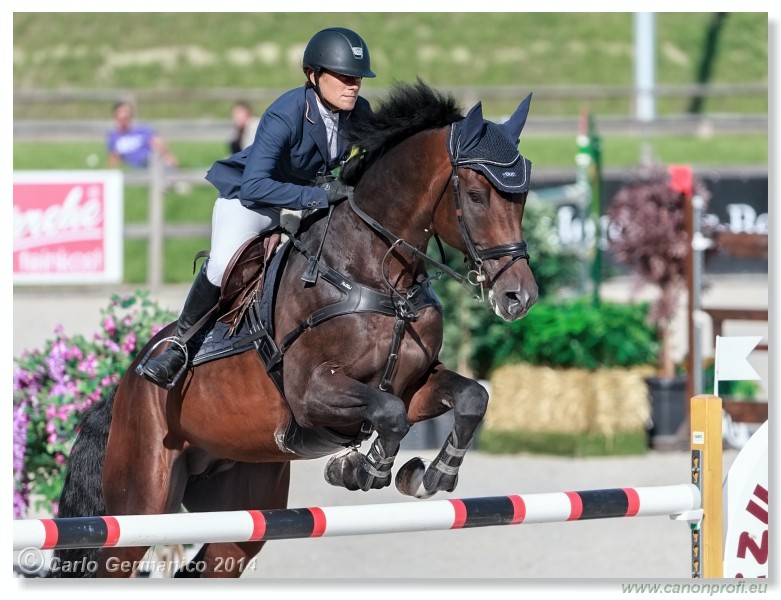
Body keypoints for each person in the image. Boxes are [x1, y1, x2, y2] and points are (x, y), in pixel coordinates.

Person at [137, 26, 375, 389]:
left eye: (357, 78)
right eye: (344, 77)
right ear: (313, 75)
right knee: (221, 264)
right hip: (253, 200)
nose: (353, 85)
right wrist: (317, 197)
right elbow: (255, 185)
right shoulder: (286, 113)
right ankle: (178, 347)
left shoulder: (360, 112)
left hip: (303, 199)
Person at [106, 101, 179, 169]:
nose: (124, 115)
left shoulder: (142, 130)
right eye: (120, 112)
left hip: (149, 160)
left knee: (159, 162)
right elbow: (114, 158)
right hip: (135, 166)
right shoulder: (113, 136)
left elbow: (159, 144)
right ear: (115, 115)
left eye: (126, 112)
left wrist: (171, 159)